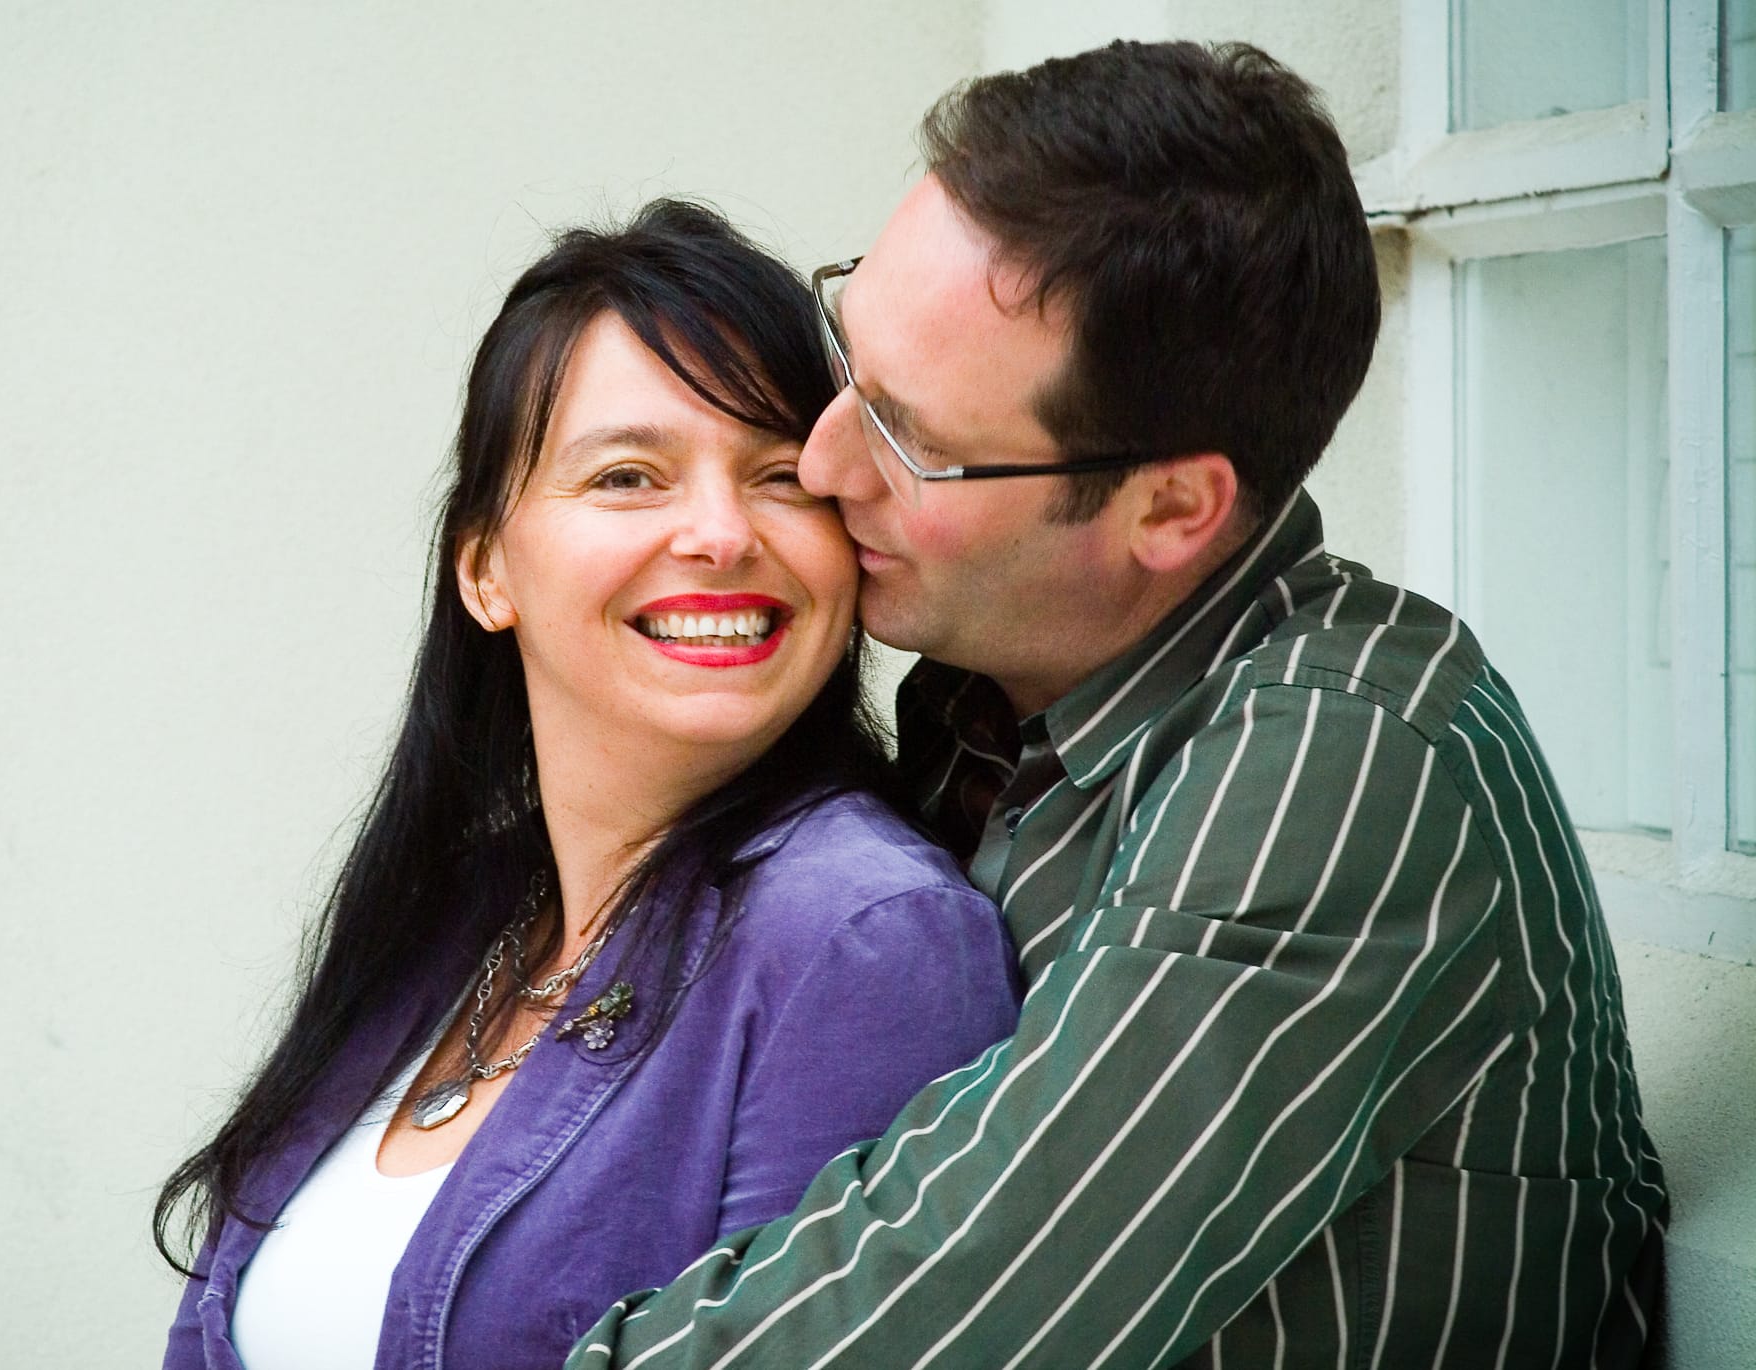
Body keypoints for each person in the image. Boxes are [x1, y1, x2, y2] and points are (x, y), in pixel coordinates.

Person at [569, 42, 1667, 1369]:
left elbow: (960, 1295)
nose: (822, 459)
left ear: (1172, 508)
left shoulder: (1342, 765)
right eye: (847, 356)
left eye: (911, 438)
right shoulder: (980, 702)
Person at [153, 200, 1019, 1370]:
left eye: (779, 475)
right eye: (627, 475)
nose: (720, 533)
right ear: (484, 567)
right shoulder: (453, 909)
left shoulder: (862, 939)